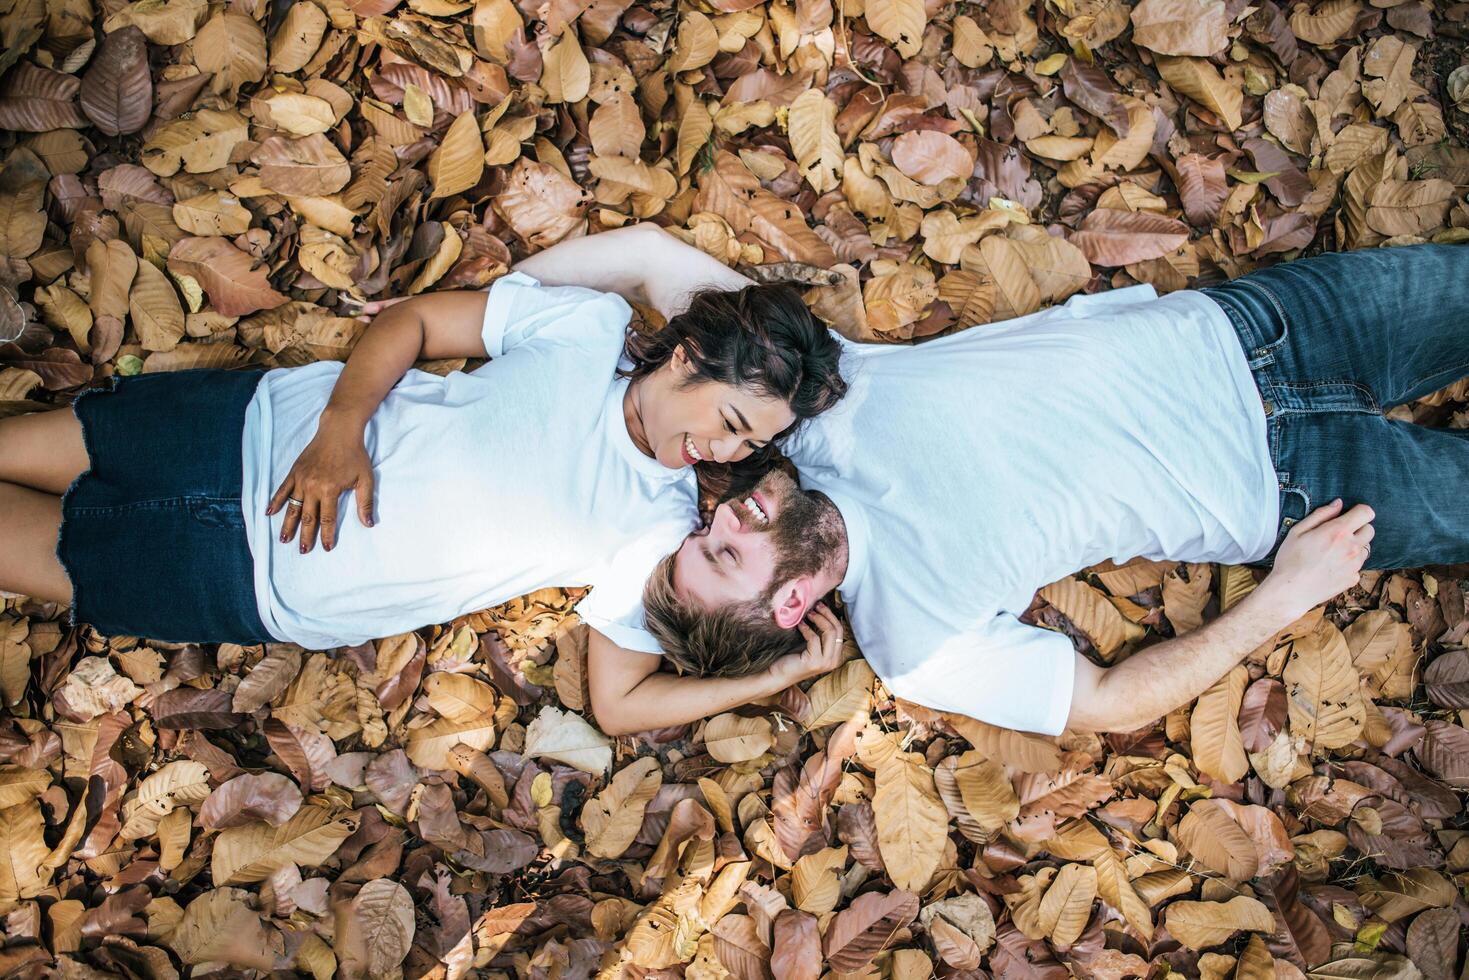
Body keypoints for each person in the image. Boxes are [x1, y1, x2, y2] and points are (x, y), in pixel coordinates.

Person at [588, 243, 1469, 737]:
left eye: (700, 531)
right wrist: (1286, 597)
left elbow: (645, 260)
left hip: (1264, 329)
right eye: (724, 552)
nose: (721, 513)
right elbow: (1109, 704)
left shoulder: (804, 407)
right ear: (788, 604)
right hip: (1303, 492)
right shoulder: (917, 642)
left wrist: (468, 323)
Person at [0, 224, 847, 655]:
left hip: (249, 585)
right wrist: (339, 431)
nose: (729, 455)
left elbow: (624, 700)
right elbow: (410, 324)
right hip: (240, 430)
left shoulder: (659, 524)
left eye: (750, 446)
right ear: (690, 356)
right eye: (731, 423)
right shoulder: (587, 330)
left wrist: (786, 666)